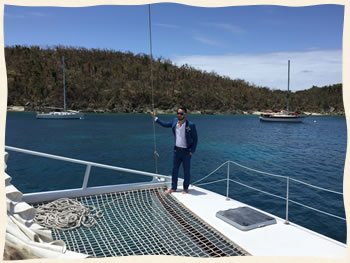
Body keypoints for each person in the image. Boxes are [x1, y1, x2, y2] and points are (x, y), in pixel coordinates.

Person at [152, 107, 198, 194]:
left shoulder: (190, 125)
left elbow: (195, 139)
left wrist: (192, 150)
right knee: (174, 170)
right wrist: (156, 119)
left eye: (181, 113)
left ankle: (185, 188)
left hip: (186, 152)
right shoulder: (174, 122)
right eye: (178, 113)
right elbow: (165, 124)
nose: (179, 115)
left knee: (186, 170)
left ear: (185, 114)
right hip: (177, 151)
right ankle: (173, 188)